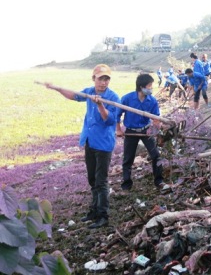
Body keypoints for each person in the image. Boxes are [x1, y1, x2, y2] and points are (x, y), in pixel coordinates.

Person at [45, 64, 119, 229]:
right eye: (101, 79)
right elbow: (73, 96)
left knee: (101, 181)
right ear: (94, 79)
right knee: (92, 178)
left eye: (106, 79)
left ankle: (103, 216)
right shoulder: (89, 91)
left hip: (103, 144)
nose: (104, 83)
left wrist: (100, 105)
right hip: (90, 141)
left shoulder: (113, 98)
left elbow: (110, 121)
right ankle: (93, 210)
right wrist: (56, 88)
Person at [116, 74, 165, 192]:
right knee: (128, 158)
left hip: (146, 130)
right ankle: (126, 184)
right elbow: (117, 114)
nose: (151, 88)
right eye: (149, 86)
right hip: (131, 132)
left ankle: (159, 181)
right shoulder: (127, 99)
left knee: (156, 155)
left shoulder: (152, 100)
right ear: (141, 87)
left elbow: (155, 118)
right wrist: (118, 129)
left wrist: (159, 127)